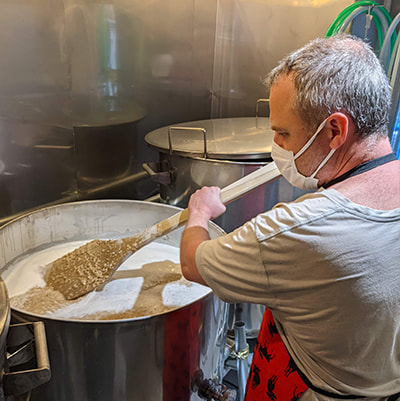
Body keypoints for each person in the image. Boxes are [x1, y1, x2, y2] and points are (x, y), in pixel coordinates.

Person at [180, 35, 400, 401]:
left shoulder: (297, 229)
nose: (278, 147)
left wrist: (199, 213)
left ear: (334, 131)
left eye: (283, 133)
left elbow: (192, 263)